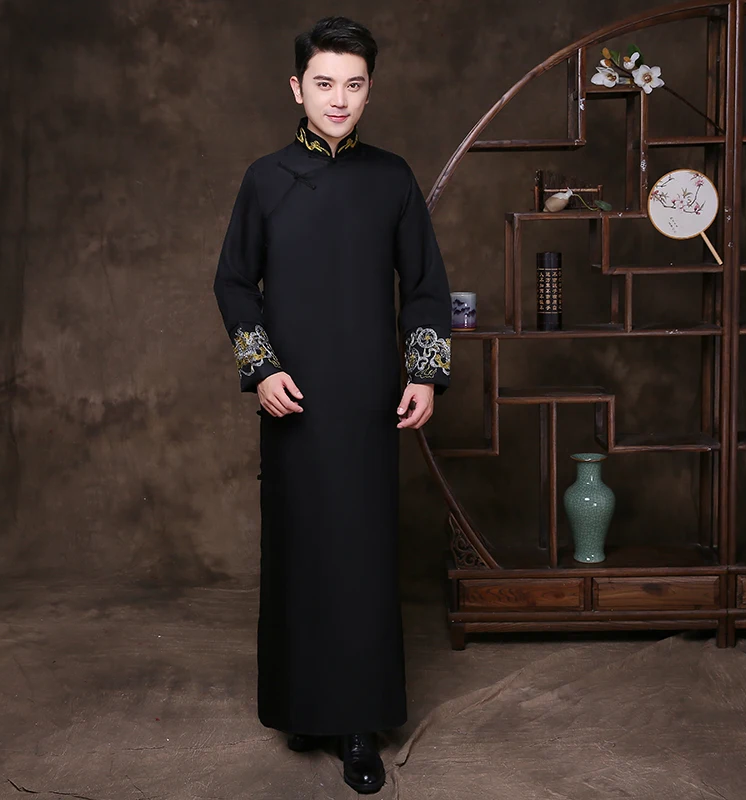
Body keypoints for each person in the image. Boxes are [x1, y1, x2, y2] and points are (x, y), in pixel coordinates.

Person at [213, 15, 451, 795]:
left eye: (353, 85)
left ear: (369, 90)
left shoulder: (392, 178)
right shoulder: (265, 179)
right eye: (324, 84)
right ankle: (301, 706)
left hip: (368, 403)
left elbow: (425, 286)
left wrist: (424, 374)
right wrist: (260, 368)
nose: (339, 99)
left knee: (360, 558)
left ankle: (358, 726)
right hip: (291, 401)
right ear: (297, 89)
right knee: (298, 551)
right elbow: (232, 282)